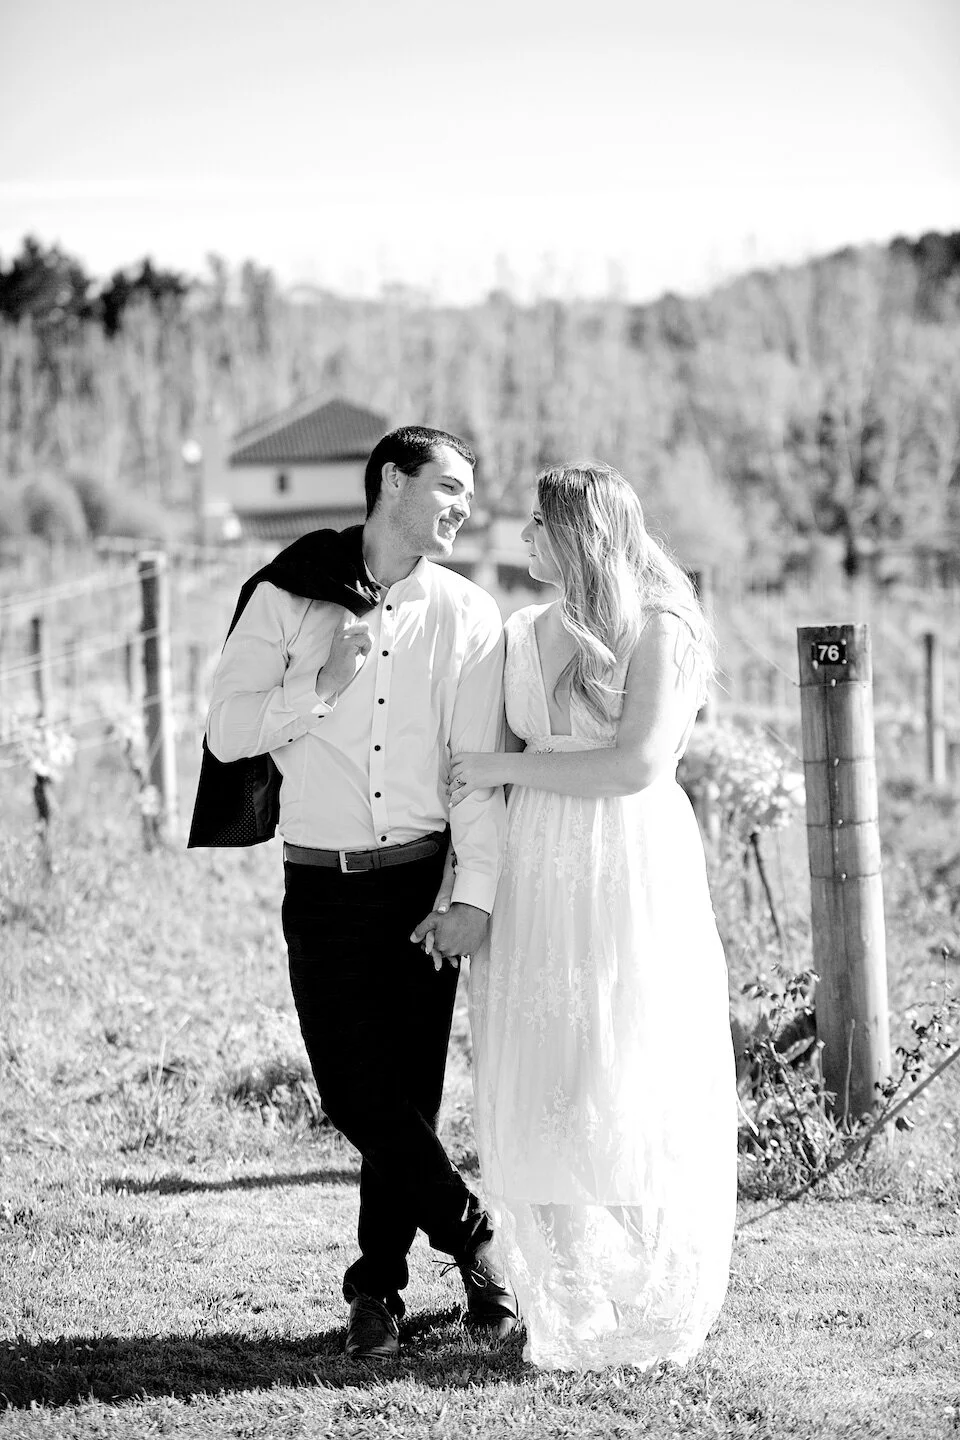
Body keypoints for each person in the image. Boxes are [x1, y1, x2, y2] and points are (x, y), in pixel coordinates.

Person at [196, 425, 519, 1361]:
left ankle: (377, 1293)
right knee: (351, 1091)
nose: (463, 507)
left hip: (421, 883)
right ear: (390, 481)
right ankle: (477, 1240)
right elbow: (226, 734)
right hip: (321, 888)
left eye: (469, 494)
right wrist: (322, 686)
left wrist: (474, 895)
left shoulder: (468, 614)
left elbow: (472, 773)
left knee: (408, 1100)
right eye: (449, 488)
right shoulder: (284, 595)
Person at [433, 461, 737, 1371]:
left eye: (539, 523)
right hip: (538, 865)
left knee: (625, 1058)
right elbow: (476, 756)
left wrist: (503, 768)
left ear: (580, 533)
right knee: (544, 1063)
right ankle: (570, 1296)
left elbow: (635, 765)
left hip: (628, 861)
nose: (525, 537)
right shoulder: (522, 631)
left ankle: (647, 1284)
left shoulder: (661, 627)